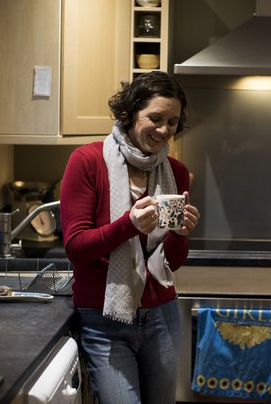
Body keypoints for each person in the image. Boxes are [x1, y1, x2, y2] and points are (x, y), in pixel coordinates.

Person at [61, 71, 200, 404]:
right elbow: (76, 248)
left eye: (172, 121)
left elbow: (173, 263)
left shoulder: (176, 172)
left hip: (162, 315)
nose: (164, 130)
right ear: (129, 113)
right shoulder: (88, 161)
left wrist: (180, 235)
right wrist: (129, 225)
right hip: (104, 318)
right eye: (155, 118)